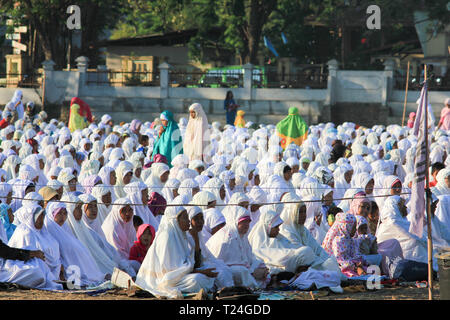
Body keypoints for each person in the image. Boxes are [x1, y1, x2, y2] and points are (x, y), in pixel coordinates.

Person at [135, 204, 216, 298]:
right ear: (175, 220)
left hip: (179, 277)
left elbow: (191, 264)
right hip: (164, 281)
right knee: (196, 280)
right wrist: (201, 272)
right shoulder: (166, 236)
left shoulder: (181, 235)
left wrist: (196, 240)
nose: (188, 221)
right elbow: (169, 274)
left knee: (207, 275)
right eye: (185, 218)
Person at [206, 206, 270, 288]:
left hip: (244, 270)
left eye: (248, 222)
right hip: (225, 272)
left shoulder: (242, 237)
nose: (247, 225)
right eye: (243, 222)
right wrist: (252, 272)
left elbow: (249, 258)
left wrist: (256, 269)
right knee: (242, 272)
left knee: (262, 267)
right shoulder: (228, 238)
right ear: (235, 221)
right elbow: (222, 265)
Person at [248, 209, 316, 275]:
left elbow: (290, 247)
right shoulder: (259, 241)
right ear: (268, 227)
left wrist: (292, 253)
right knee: (304, 253)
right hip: (281, 263)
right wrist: (290, 255)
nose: (278, 229)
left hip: (287, 260)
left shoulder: (279, 237)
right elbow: (270, 258)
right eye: (276, 227)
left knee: (306, 251)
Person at [322, 212, 369, 277]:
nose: (355, 230)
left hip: (352, 265)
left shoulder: (350, 239)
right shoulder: (338, 241)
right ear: (346, 227)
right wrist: (355, 267)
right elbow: (340, 261)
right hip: (342, 268)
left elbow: (354, 255)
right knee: (354, 275)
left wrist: (359, 263)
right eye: (353, 227)